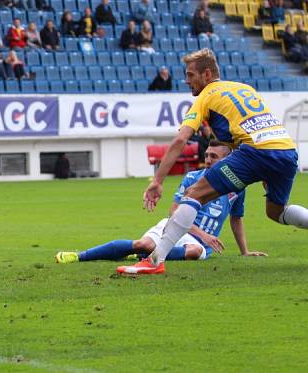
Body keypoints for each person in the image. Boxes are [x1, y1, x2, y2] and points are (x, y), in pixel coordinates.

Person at [118, 48, 304, 275]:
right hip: (286, 150)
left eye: (190, 75)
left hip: (256, 151)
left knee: (193, 194)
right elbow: (251, 127)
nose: (186, 81)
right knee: (276, 212)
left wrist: (157, 180)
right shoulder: (245, 88)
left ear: (207, 75)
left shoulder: (206, 96)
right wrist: (268, 172)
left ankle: (155, 261)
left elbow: (180, 140)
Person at [57, 141, 267, 264]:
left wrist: (245, 251)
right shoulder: (193, 179)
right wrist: (205, 234)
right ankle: (78, 256)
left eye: (214, 156)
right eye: (207, 155)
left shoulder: (236, 188)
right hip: (177, 228)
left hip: (198, 244)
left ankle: (146, 257)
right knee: (143, 244)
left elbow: (236, 219)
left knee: (193, 252)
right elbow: (175, 213)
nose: (209, 160)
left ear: (226, 160)